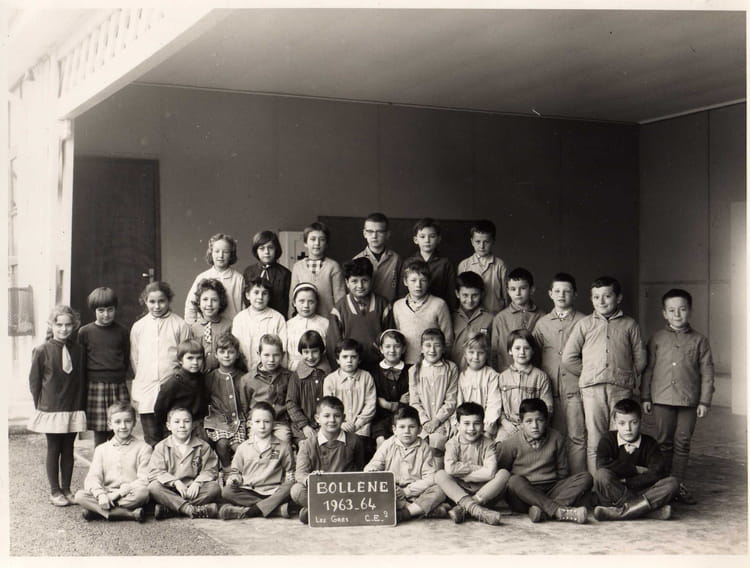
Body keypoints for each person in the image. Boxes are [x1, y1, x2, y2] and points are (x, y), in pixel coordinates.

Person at [561, 276, 647, 472]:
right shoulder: (584, 324)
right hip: (592, 391)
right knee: (596, 439)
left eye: (607, 296)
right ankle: (597, 482)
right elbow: (568, 358)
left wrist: (627, 376)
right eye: (596, 297)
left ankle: (618, 481)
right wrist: (589, 374)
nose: (601, 301)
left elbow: (640, 357)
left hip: (621, 389)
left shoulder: (629, 324)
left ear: (618, 298)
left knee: (621, 435)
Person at [640, 288, 714, 504]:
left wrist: (704, 401)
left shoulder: (700, 340)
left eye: (682, 309)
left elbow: (707, 373)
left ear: (690, 311)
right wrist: (645, 397)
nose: (677, 314)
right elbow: (648, 370)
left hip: (689, 400)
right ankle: (663, 486)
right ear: (664, 313)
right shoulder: (657, 338)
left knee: (682, 442)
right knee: (664, 442)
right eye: (672, 310)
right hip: (662, 399)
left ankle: (677, 484)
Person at [496, 398, 592, 524]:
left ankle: (543, 512)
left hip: (551, 490)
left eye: (540, 420)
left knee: (586, 478)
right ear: (521, 423)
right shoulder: (510, 443)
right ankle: (557, 511)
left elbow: (562, 473)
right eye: (529, 421)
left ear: (546, 420)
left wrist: (561, 490)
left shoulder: (556, 438)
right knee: (513, 480)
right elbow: (501, 474)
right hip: (524, 495)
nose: (535, 426)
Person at [28, 305, 87, 507]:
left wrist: (80, 405)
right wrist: (41, 406)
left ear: (74, 325)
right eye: (59, 325)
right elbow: (35, 382)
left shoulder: (79, 350)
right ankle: (55, 491)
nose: (63, 329)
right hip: (51, 408)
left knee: (68, 448)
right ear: (51, 325)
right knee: (54, 448)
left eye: (68, 325)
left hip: (73, 406)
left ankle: (67, 489)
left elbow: (81, 379)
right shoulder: (41, 350)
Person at [532, 272, 587, 474]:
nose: (561, 295)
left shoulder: (584, 321)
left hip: (575, 388)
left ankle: (578, 480)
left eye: (567, 291)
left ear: (575, 294)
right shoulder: (542, 323)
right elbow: (534, 355)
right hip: (549, 389)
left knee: (577, 436)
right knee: (551, 436)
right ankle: (555, 479)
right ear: (550, 294)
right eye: (557, 291)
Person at [593, 398, 679, 521]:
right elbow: (602, 464)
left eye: (633, 422)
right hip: (616, 490)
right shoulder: (608, 439)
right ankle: (647, 511)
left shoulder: (650, 443)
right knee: (601, 475)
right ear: (615, 422)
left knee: (672, 483)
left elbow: (657, 473)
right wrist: (635, 469)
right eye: (622, 423)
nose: (628, 428)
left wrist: (627, 481)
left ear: (640, 421)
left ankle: (619, 512)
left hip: (642, 491)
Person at [130, 281, 192, 446]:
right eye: (152, 301)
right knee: (152, 437)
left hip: (172, 389)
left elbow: (186, 358)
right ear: (145, 301)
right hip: (147, 390)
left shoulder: (180, 325)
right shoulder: (139, 327)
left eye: (161, 301)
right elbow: (135, 358)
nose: (157, 306)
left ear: (169, 300)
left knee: (172, 436)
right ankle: (155, 463)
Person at [364, 405, 448, 523]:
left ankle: (405, 513)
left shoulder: (424, 448)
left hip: (416, 492)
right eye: (402, 427)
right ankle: (423, 509)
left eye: (411, 427)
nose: (406, 431)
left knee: (440, 490)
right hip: (393, 492)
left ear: (419, 429)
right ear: (394, 429)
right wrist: (375, 473)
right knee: (371, 491)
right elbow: (372, 466)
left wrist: (407, 491)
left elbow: (430, 478)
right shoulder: (388, 444)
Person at [290, 396, 366, 524]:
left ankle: (319, 511)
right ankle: (331, 511)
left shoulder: (354, 440)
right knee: (297, 490)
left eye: (337, 416)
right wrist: (310, 479)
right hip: (320, 493)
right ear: (317, 418)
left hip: (346, 492)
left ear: (343, 417)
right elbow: (300, 473)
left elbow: (359, 468)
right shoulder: (307, 444)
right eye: (326, 416)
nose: (332, 420)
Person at [74, 402, 152, 521]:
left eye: (128, 421)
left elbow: (144, 479)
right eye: (117, 422)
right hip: (107, 493)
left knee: (143, 493)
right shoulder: (101, 449)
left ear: (134, 423)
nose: (123, 426)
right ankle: (127, 514)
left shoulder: (144, 448)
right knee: (80, 496)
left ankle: (98, 511)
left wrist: (119, 493)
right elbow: (93, 477)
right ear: (110, 424)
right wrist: (100, 494)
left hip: (130, 492)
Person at [219, 402, 295, 519]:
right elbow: (236, 472)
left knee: (291, 486)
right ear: (250, 424)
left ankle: (250, 511)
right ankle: (275, 510)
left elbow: (290, 473)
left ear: (273, 424)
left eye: (267, 422)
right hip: (250, 491)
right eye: (257, 422)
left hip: (273, 492)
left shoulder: (283, 447)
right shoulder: (243, 447)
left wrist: (288, 483)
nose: (262, 426)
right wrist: (234, 479)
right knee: (227, 492)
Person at [434, 402, 507, 525]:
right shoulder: (452, 443)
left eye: (476, 423)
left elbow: (490, 473)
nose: (471, 428)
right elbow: (450, 469)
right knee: (440, 475)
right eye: (466, 423)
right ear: (458, 425)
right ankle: (476, 511)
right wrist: (477, 468)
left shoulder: (488, 443)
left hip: (484, 493)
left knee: (504, 473)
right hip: (459, 491)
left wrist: (463, 473)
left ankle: (464, 508)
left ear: (483, 425)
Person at [78, 287, 130, 447]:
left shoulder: (122, 331)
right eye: (101, 310)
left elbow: (126, 358)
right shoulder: (85, 332)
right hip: (96, 386)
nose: (106, 314)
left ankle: (119, 462)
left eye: (110, 310)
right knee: (100, 434)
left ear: (115, 309)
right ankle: (100, 462)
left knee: (119, 430)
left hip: (117, 385)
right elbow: (81, 362)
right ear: (94, 310)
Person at [148, 407, 220, 519]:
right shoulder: (161, 447)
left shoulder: (203, 446)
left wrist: (197, 483)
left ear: (193, 425)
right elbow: (156, 472)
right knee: (154, 487)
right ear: (168, 426)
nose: (182, 425)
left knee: (214, 488)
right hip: (171, 490)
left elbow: (210, 470)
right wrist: (175, 482)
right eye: (177, 422)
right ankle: (190, 509)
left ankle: (170, 509)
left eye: (186, 421)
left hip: (193, 491)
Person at [329, 257, 393, 373]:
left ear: (371, 280)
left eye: (364, 280)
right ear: (347, 283)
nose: (360, 285)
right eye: (354, 281)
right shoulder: (339, 308)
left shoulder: (383, 304)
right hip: (349, 368)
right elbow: (333, 343)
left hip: (379, 367)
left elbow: (390, 336)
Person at [409, 328, 458, 468]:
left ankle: (438, 476)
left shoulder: (451, 368)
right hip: (421, 421)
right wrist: (425, 421)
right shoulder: (414, 370)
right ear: (421, 348)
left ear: (443, 348)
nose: (432, 350)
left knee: (437, 443)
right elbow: (414, 402)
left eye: (437, 345)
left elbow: (451, 400)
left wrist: (437, 420)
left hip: (443, 420)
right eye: (428, 345)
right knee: (419, 446)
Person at [496, 330, 553, 442]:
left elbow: (548, 408)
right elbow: (497, 406)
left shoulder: (541, 377)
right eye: (517, 348)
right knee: (499, 448)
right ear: (510, 350)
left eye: (526, 348)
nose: (522, 352)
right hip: (508, 426)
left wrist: (528, 425)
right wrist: (504, 422)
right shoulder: (502, 377)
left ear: (532, 351)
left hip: (533, 426)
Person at [393, 259, 453, 365]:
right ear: (405, 282)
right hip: (406, 363)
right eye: (413, 280)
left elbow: (447, 339)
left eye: (423, 280)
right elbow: (398, 338)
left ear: (429, 282)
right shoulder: (398, 306)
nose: (418, 285)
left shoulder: (439, 305)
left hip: (433, 364)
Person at [203, 333, 248, 471]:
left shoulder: (243, 377)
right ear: (216, 355)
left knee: (239, 447)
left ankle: (239, 470)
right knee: (222, 444)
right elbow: (205, 400)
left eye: (231, 352)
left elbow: (246, 401)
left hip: (238, 420)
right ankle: (227, 470)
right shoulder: (210, 377)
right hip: (218, 421)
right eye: (222, 352)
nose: (226, 355)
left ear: (237, 355)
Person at [323, 338, 377, 451]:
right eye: (345, 357)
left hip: (361, 429)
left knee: (360, 452)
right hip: (338, 427)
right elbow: (329, 407)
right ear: (338, 360)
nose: (349, 360)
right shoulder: (330, 380)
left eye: (353, 357)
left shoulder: (366, 377)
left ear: (359, 359)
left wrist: (358, 424)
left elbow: (370, 405)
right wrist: (341, 423)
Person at [239, 334, 292, 442]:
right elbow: (244, 408)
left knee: (283, 442)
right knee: (258, 445)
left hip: (279, 423)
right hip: (257, 422)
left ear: (282, 355)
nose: (271, 359)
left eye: (276, 355)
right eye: (266, 355)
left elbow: (292, 403)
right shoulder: (247, 379)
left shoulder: (289, 377)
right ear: (259, 354)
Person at [288, 221, 345, 318]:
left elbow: (340, 297)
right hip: (304, 320)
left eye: (322, 239)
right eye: (313, 239)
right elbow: (292, 296)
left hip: (328, 319)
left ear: (326, 243)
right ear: (305, 243)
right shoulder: (298, 267)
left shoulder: (333, 266)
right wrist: (291, 318)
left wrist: (339, 320)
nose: (317, 243)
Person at [184, 233, 244, 323]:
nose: (221, 255)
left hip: (232, 327)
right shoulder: (202, 277)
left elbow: (244, 308)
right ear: (211, 253)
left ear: (231, 254)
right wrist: (192, 326)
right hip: (206, 328)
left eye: (225, 252)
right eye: (217, 251)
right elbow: (191, 306)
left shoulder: (239, 279)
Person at [153, 339, 207, 438]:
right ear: (180, 360)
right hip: (179, 427)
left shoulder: (202, 378)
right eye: (190, 358)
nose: (195, 362)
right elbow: (160, 410)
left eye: (199, 358)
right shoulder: (173, 383)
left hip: (198, 426)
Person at [491, 267, 543, 371]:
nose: (518, 293)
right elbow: (494, 352)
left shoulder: (542, 317)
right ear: (508, 291)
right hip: (507, 373)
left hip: (534, 374)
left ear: (532, 289)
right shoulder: (500, 318)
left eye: (523, 288)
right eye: (513, 289)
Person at [400, 218, 456, 309]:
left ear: (438, 239)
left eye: (432, 236)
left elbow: (451, 294)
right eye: (422, 237)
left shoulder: (445, 264)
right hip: (413, 309)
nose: (427, 240)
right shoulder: (408, 262)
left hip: (438, 309)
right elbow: (402, 292)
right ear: (415, 239)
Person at [286, 330, 331, 443]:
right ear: (301, 352)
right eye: (306, 352)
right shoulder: (296, 376)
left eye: (314, 351)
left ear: (321, 351)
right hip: (303, 428)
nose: (310, 357)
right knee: (306, 446)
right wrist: (304, 425)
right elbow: (291, 404)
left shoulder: (329, 374)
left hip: (327, 425)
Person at [232, 277, 287, 371]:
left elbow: (283, 349)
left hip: (271, 372)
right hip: (244, 371)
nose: (260, 297)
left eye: (264, 293)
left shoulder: (277, 318)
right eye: (256, 292)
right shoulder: (239, 319)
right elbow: (235, 348)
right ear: (247, 295)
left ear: (269, 297)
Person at [455, 333, 502, 440]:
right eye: (471, 352)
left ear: (487, 354)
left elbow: (494, 403)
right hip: (466, 425)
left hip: (486, 426)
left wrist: (486, 427)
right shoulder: (462, 375)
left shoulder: (492, 375)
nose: (475, 357)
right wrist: (460, 424)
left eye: (480, 353)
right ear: (465, 353)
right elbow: (458, 402)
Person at [457, 220, 508, 314]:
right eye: (478, 242)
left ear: (493, 241)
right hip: (472, 315)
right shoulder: (464, 265)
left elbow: (506, 295)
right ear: (472, 242)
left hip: (495, 314)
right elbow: (461, 293)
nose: (482, 246)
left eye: (486, 242)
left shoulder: (500, 265)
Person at [371, 329, 411, 447]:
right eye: (387, 346)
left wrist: (391, 404)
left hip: (404, 416)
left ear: (403, 349)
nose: (392, 350)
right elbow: (372, 396)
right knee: (381, 441)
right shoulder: (373, 371)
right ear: (381, 349)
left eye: (397, 346)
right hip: (380, 418)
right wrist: (383, 403)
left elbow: (409, 398)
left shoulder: (410, 370)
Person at [353, 212, 402, 303]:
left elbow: (401, 290)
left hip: (390, 308)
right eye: (370, 231)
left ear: (387, 234)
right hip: (366, 308)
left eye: (379, 232)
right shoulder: (356, 260)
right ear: (364, 233)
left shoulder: (396, 259)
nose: (374, 236)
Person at [242, 230, 291, 317]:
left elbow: (288, 302)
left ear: (276, 249)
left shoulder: (285, 274)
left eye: (270, 247)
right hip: (253, 318)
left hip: (277, 319)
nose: (266, 252)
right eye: (262, 248)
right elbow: (246, 299)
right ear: (256, 250)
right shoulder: (249, 272)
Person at [451, 271, 494, 369]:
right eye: (465, 295)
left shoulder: (490, 319)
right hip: (454, 371)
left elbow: (493, 350)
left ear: (482, 294)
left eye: (474, 295)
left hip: (480, 372)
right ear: (457, 294)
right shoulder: (451, 317)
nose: (470, 300)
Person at [189, 278, 232, 372]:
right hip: (199, 375)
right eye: (205, 299)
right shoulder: (193, 328)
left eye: (214, 300)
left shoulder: (228, 326)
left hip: (221, 374)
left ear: (221, 303)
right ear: (198, 302)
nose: (209, 304)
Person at [286, 283, 329, 372]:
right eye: (301, 301)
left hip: (319, 371)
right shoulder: (288, 325)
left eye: (311, 302)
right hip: (294, 371)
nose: (306, 305)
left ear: (316, 302)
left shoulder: (325, 323)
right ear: (294, 303)